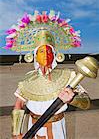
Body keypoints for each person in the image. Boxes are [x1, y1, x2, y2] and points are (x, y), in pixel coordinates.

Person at [5, 11, 90, 139]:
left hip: (57, 128)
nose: (45, 55)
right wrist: (16, 132)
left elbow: (86, 103)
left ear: (55, 55)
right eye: (41, 51)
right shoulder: (29, 78)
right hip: (32, 127)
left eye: (49, 51)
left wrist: (72, 99)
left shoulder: (68, 76)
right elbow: (19, 105)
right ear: (35, 56)